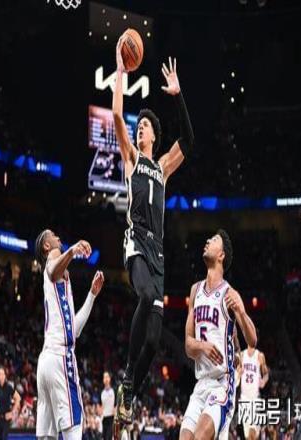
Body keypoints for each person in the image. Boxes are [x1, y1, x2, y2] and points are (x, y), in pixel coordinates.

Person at [113, 33, 195, 424]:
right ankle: (128, 378)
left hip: (159, 253)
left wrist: (178, 95)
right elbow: (117, 116)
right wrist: (119, 71)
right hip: (136, 244)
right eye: (140, 125)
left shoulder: (162, 167)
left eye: (145, 125)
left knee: (152, 340)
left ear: (154, 135)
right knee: (145, 295)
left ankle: (129, 392)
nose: (140, 128)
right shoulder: (131, 158)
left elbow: (189, 141)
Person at [180, 230, 257, 440]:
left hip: (222, 383)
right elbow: (188, 346)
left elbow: (252, 340)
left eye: (213, 240)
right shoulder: (195, 291)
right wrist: (203, 346)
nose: (207, 240)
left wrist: (241, 312)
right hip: (200, 384)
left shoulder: (229, 294)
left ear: (221, 255)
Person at [34, 229, 105, 440]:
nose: (58, 237)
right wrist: (73, 250)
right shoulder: (52, 264)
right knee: (73, 427)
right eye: (53, 235)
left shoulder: (60, 282)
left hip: (46, 362)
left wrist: (92, 295)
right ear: (47, 246)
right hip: (60, 358)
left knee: (46, 436)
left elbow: (74, 330)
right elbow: (53, 269)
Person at [239, 341, 269, 440]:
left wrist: (263, 381)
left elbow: (266, 374)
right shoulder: (242, 355)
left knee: (254, 433)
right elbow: (237, 372)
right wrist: (238, 373)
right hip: (244, 397)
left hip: (255, 397)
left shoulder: (259, 355)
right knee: (247, 435)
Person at [0, 367, 20, 440]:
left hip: (7, 417)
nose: (1, 376)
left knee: (4, 437)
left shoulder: (8, 387)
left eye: (2, 374)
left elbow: (18, 398)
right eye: (0, 374)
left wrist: (12, 412)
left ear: (5, 376)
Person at [100, 372, 114, 440]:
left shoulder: (114, 390)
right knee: (104, 438)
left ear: (110, 379)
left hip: (112, 418)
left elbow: (116, 404)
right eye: (104, 377)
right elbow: (100, 406)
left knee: (109, 437)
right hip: (104, 418)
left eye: (107, 377)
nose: (106, 379)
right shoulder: (101, 392)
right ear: (103, 380)